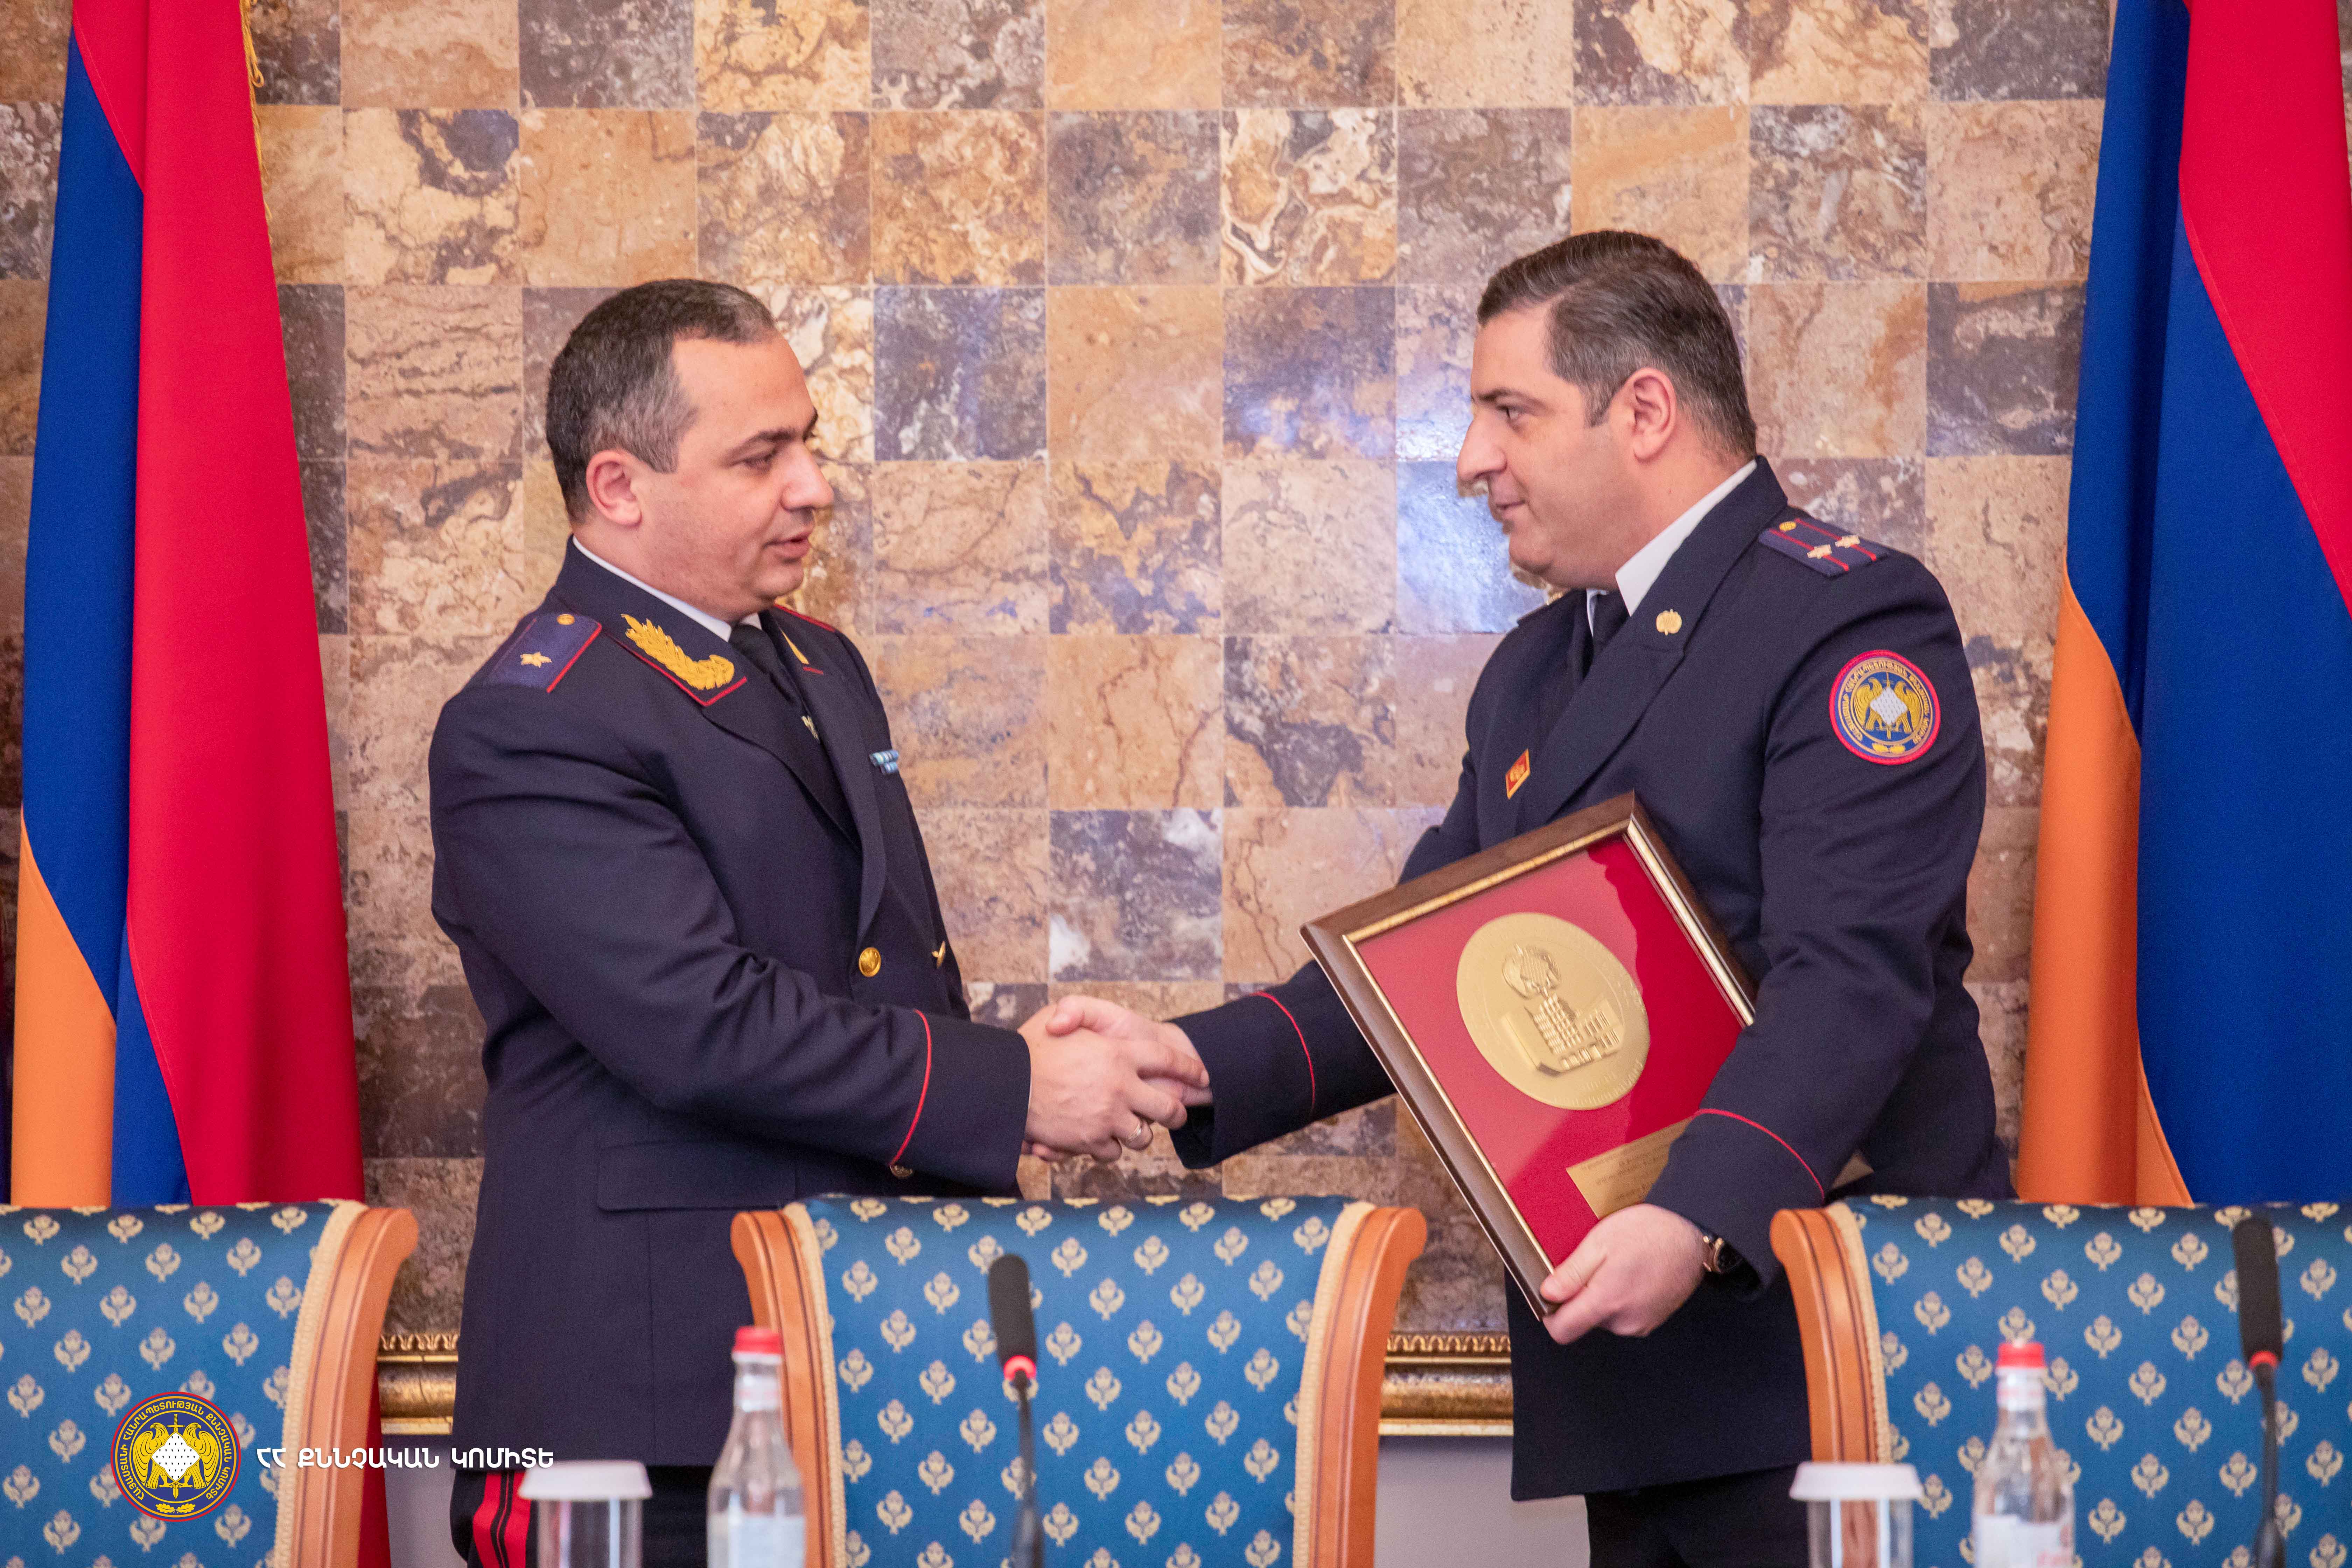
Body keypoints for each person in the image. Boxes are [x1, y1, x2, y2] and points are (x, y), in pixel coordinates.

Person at [1045, 231, 2013, 1566]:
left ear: (1645, 411)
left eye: (1512, 412)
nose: (1471, 460)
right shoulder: (1537, 669)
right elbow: (1428, 963)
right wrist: (1194, 1061)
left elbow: (1852, 975)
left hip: (1829, 1360)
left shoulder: (1847, 624)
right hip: (1636, 1377)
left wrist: (1694, 1213)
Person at [427, 280, 1207, 1568]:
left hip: (861, 1363)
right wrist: (1014, 1087)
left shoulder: (813, 665)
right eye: (762, 457)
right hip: (643, 1408)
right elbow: (700, 1024)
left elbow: (876, 975)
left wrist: (1022, 1082)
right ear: (620, 487)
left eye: (809, 443)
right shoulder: (534, 718)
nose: (814, 487)